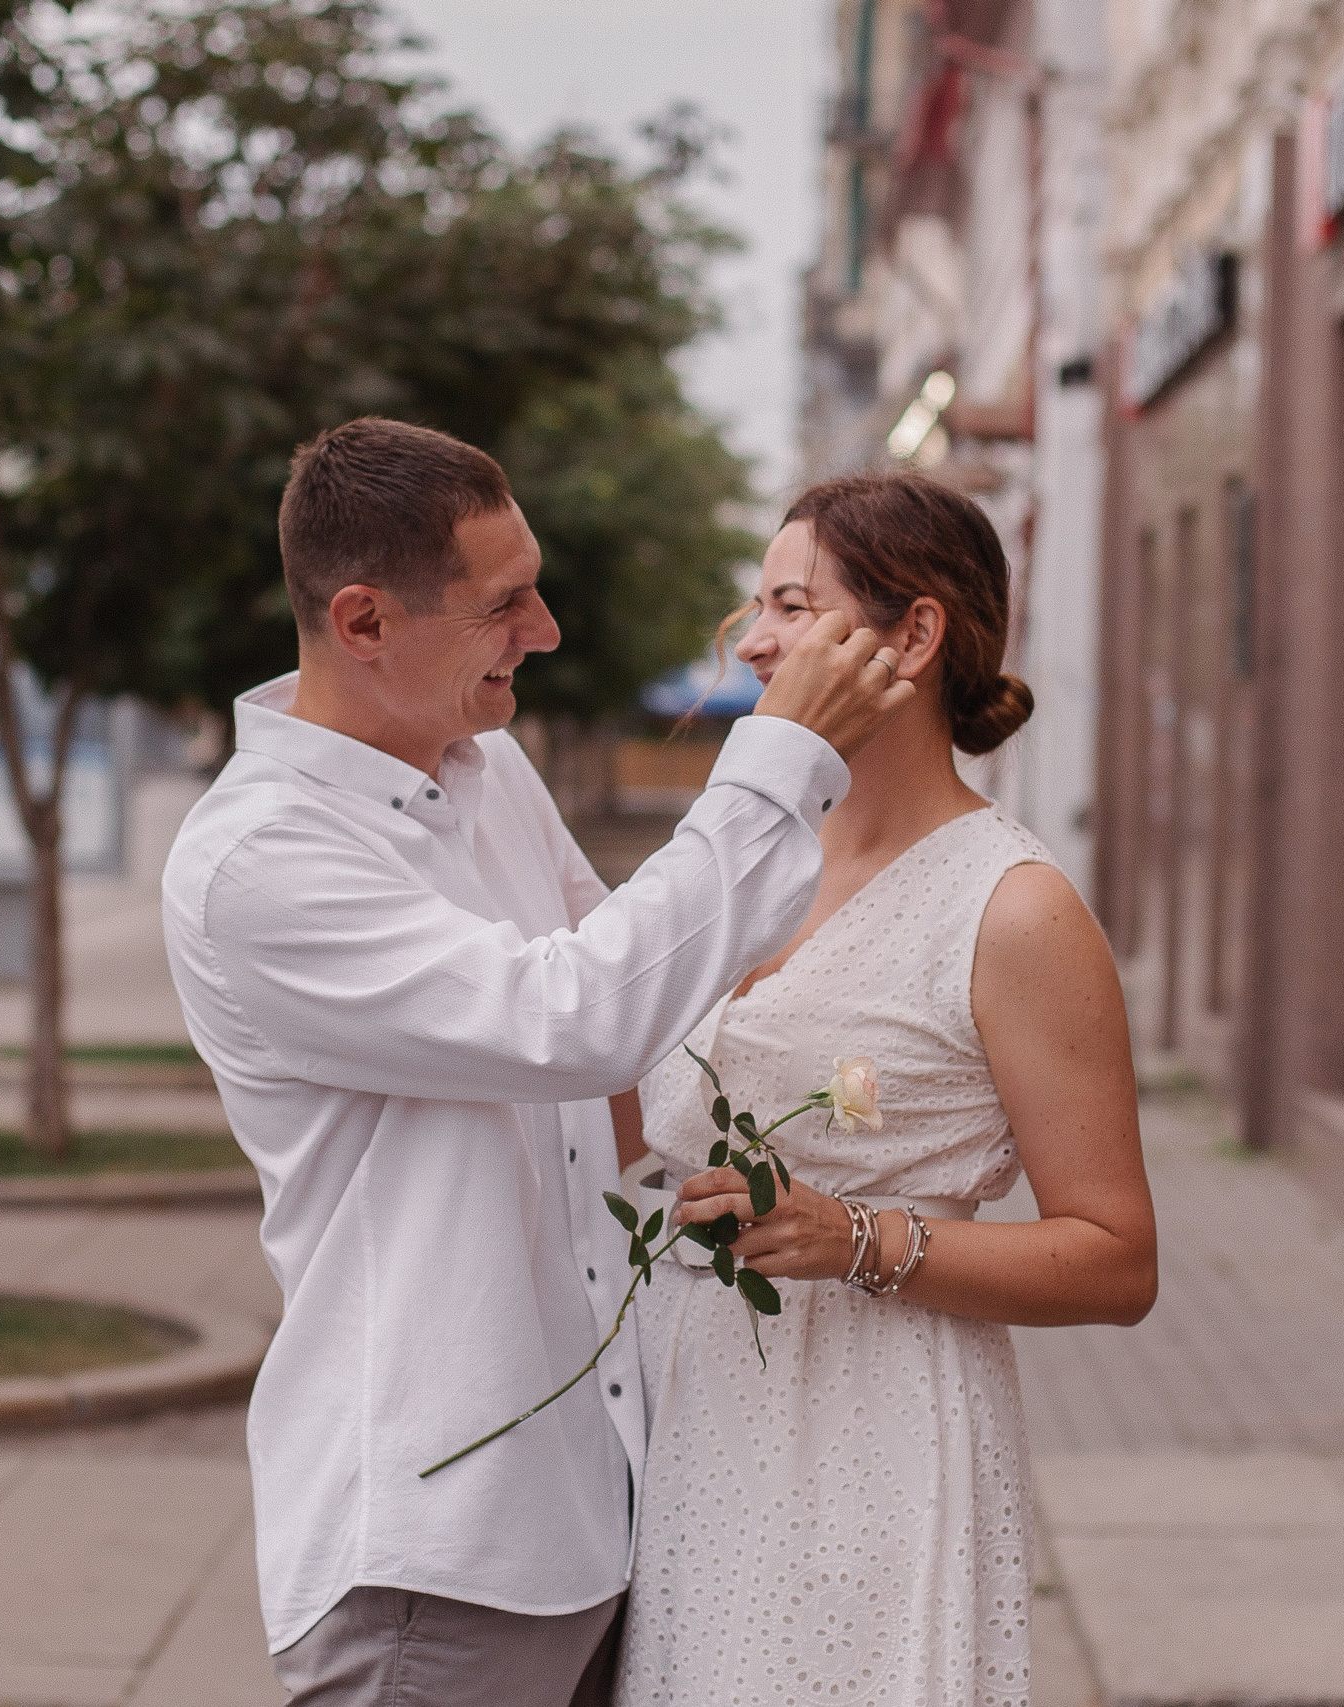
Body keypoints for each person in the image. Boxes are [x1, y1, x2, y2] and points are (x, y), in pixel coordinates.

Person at [159, 418, 913, 1707]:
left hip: (595, 1496)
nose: (546, 630)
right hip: (437, 1546)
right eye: (503, 604)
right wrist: (778, 763)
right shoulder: (259, 862)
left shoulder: (487, 768)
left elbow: (646, 1013)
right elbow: (574, 1018)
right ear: (362, 621)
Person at [615, 471, 1161, 1707]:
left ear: (913, 634)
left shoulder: (1012, 909)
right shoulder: (742, 858)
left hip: (869, 1436)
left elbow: (1117, 1260)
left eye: (791, 605)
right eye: (755, 607)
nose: (755, 641)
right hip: (686, 1413)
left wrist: (856, 1236)